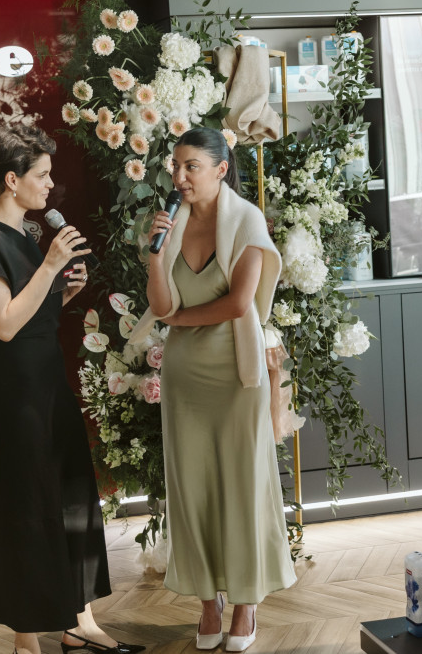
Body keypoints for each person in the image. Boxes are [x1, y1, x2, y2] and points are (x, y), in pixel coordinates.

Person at [0, 124, 143, 654]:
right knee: (26, 507)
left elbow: (31, 316)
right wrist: (49, 266)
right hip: (14, 396)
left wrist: (62, 292)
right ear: (11, 180)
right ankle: (27, 637)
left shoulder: (25, 236)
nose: (50, 185)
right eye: (41, 175)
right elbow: (3, 325)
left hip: (47, 385)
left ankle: (78, 622)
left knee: (66, 499)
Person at [134, 126, 297, 653]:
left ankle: (247, 603)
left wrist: (178, 322)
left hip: (235, 373)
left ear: (221, 169)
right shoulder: (171, 223)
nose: (179, 177)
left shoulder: (247, 219)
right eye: (175, 166)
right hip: (186, 376)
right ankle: (209, 602)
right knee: (193, 489)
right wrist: (156, 256)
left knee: (243, 485)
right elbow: (162, 307)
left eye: (191, 167)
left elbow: (237, 304)